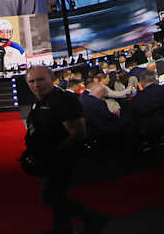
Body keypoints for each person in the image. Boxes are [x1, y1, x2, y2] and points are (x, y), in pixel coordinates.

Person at [22, 64, 107, 234]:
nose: (36, 85)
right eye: (31, 81)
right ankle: (63, 228)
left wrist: (50, 156)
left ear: (52, 79)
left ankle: (92, 218)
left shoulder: (63, 100)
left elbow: (78, 133)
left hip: (62, 159)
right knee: (56, 197)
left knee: (49, 195)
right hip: (46, 159)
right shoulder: (40, 101)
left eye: (40, 80)